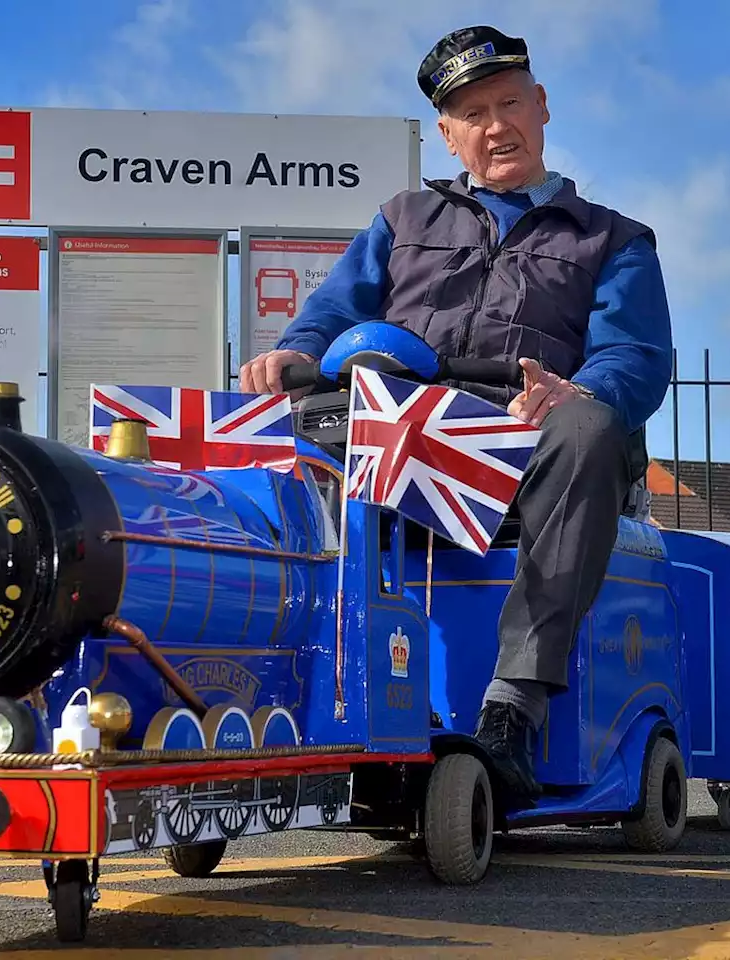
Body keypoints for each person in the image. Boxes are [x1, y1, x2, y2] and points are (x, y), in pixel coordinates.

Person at [239, 25, 673, 807]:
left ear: (542, 108)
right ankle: (262, 687)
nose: (496, 124)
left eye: (510, 102)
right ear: (448, 135)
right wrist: (291, 352)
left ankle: (513, 710)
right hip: (405, 442)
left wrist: (577, 391)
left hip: (525, 451)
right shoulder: (401, 219)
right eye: (472, 113)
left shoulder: (615, 240)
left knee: (590, 427)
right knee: (271, 436)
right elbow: (334, 314)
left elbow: (633, 359)